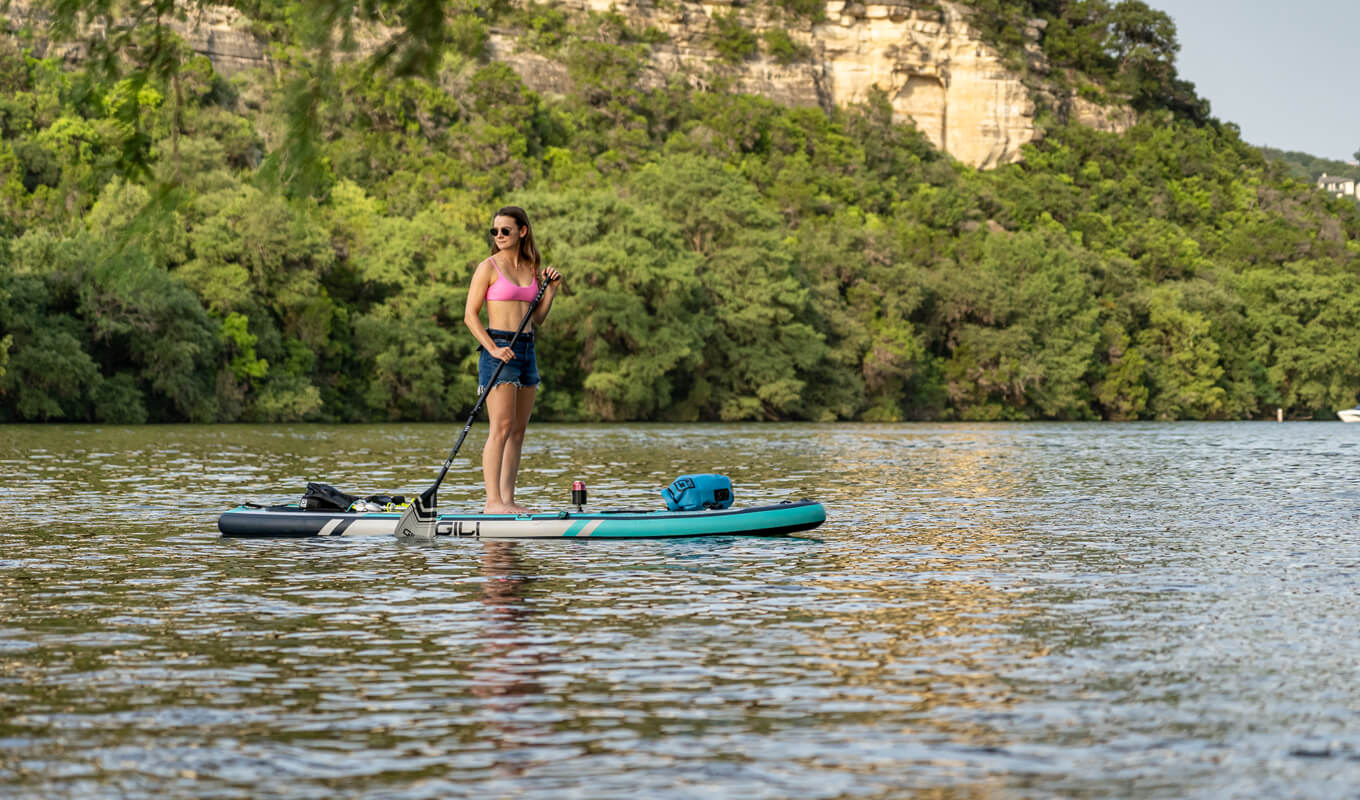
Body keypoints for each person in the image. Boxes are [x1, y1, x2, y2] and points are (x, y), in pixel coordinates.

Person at [464, 206, 562, 514]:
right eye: (494, 231)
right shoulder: (488, 267)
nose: (499, 236)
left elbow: (538, 318)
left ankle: (507, 500)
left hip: (527, 349)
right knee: (501, 427)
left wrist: (552, 291)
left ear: (522, 231)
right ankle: (492, 502)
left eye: (505, 230)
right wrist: (492, 348)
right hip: (499, 349)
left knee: (518, 430)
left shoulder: (532, 267)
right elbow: (470, 316)